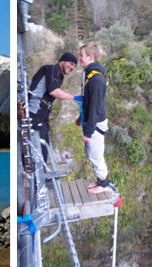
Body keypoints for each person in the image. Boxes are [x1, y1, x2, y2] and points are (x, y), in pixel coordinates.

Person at [27, 52, 79, 162]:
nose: (72, 67)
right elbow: (54, 91)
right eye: (71, 63)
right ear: (62, 61)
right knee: (40, 149)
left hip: (42, 114)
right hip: (35, 112)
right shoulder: (52, 69)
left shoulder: (59, 75)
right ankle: (39, 175)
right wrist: (75, 98)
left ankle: (43, 175)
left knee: (44, 147)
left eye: (74, 66)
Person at [76, 42, 112, 194]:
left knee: (95, 154)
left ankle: (103, 184)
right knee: (92, 153)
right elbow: (88, 101)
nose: (79, 58)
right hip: (91, 120)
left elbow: (95, 107)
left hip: (96, 122)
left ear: (90, 57)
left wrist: (88, 131)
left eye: (82, 55)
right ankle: (100, 180)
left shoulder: (96, 80)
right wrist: (80, 118)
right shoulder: (89, 75)